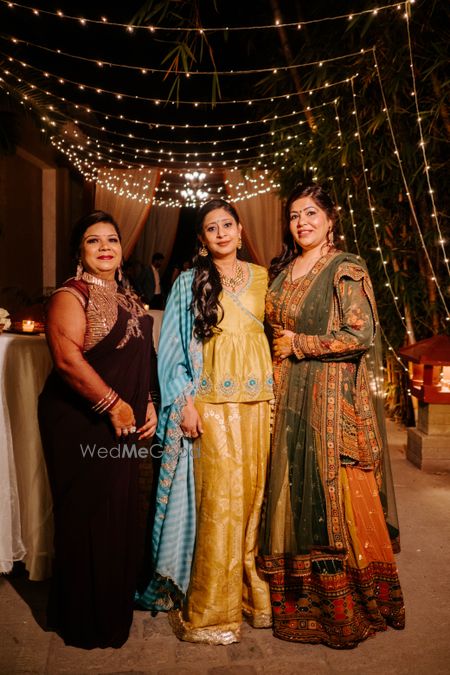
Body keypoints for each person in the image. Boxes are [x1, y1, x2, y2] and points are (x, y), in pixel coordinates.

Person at [257, 183, 405, 648]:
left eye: (311, 214)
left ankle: (350, 609)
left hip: (331, 400)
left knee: (336, 496)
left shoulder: (345, 268)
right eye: (294, 215)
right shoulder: (283, 272)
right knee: (296, 493)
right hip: (290, 397)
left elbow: (361, 335)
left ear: (330, 219)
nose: (302, 222)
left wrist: (300, 345)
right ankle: (300, 606)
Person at [135, 198, 274, 645]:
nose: (221, 233)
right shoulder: (189, 282)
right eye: (211, 228)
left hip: (259, 405)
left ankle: (251, 596)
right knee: (219, 504)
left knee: (253, 501)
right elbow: (172, 350)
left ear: (239, 229)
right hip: (211, 406)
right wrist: (185, 404)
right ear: (202, 239)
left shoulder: (262, 277)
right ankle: (212, 608)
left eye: (227, 224)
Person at [38, 210, 158, 649]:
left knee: (118, 512)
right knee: (86, 513)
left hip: (123, 420)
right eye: (93, 240)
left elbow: (143, 356)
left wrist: (147, 401)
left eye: (112, 239)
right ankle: (81, 619)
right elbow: (67, 361)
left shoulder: (129, 296)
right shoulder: (70, 295)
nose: (105, 247)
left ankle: (110, 610)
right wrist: (113, 406)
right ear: (79, 250)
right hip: (80, 421)